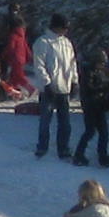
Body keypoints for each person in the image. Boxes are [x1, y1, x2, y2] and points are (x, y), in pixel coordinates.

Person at [30, 15, 78, 160]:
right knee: (45, 120)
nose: (66, 30)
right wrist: (46, 83)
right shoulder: (42, 42)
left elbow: (72, 64)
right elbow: (39, 65)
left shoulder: (67, 43)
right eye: (64, 27)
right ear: (56, 27)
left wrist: (74, 81)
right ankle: (42, 147)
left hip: (64, 87)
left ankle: (63, 148)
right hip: (49, 89)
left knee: (65, 122)